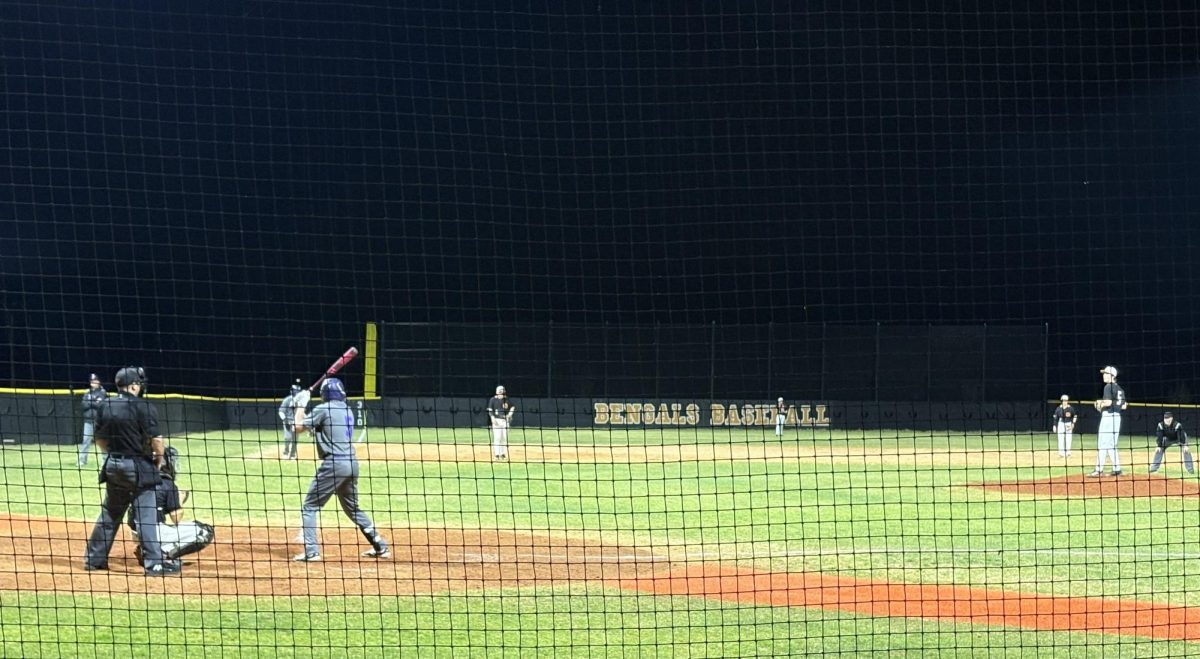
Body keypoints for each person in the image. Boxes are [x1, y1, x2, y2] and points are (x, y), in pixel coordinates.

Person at [83, 367, 180, 576]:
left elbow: (99, 439)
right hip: (137, 467)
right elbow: (157, 440)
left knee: (110, 513)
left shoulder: (105, 404)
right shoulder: (143, 406)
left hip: (112, 465)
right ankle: (154, 563)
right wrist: (158, 461)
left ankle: (94, 560)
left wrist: (112, 453)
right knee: (146, 516)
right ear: (135, 385)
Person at [292, 377, 389, 562]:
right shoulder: (347, 410)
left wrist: (300, 405)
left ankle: (311, 551)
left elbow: (297, 427)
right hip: (351, 464)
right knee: (353, 509)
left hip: (334, 465)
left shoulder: (323, 409)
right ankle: (380, 546)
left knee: (310, 507)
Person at [128, 446, 215, 562]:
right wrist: (180, 501)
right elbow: (176, 519)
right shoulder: (167, 484)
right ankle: (163, 553)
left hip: (136, 533)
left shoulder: (138, 481)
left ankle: (147, 549)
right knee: (205, 531)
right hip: (155, 533)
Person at [1089, 365, 1127, 477]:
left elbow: (1108, 403)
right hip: (1117, 418)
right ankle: (1117, 469)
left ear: (1112, 376)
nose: (1104, 375)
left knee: (1102, 443)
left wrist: (1099, 403)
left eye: (1106, 374)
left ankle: (1098, 470)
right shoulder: (1120, 389)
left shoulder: (1108, 387)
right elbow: (1124, 406)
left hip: (1108, 417)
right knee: (1112, 445)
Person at [77, 373, 109, 467]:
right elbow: (83, 405)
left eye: (95, 380)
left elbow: (100, 405)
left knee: (102, 441)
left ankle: (105, 461)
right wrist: (93, 402)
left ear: (98, 381)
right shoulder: (87, 392)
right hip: (88, 420)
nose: (93, 382)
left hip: (99, 421)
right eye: (91, 381)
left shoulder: (102, 392)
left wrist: (90, 402)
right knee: (86, 440)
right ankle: (82, 461)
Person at [487, 385, 515, 461]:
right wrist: (492, 418)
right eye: (499, 390)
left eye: (502, 390)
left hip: (505, 421)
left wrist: (510, 414)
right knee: (497, 437)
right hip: (497, 420)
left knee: (504, 438)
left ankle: (502, 454)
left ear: (504, 391)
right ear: (496, 391)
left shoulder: (506, 399)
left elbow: (512, 406)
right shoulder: (493, 399)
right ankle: (497, 454)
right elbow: (490, 410)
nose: (500, 391)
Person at [278, 380, 303, 459]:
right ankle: (286, 452)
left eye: (298, 391)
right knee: (287, 438)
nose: (297, 392)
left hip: (296, 422)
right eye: (295, 391)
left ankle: (292, 454)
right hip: (288, 422)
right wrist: (285, 420)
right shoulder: (287, 400)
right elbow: (281, 411)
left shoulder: (301, 401)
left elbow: (301, 412)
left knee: (295, 440)